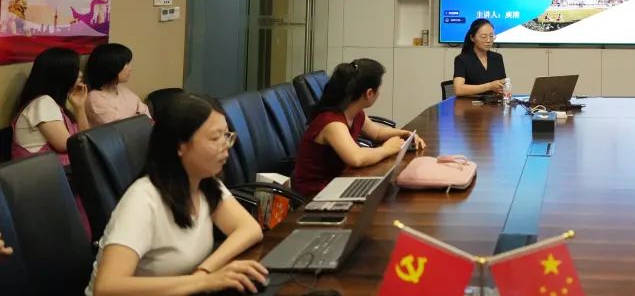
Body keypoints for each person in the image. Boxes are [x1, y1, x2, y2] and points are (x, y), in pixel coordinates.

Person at [86, 93, 267, 295]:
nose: (226, 146)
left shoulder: (204, 181)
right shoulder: (143, 200)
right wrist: (203, 282)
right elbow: (107, 287)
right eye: (215, 138)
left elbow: (249, 229)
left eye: (227, 136)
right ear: (180, 145)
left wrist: (204, 272)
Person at [291, 59, 427, 198]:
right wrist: (387, 149)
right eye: (378, 89)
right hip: (316, 195)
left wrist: (405, 134)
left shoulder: (354, 112)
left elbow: (377, 133)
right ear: (369, 93)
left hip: (339, 182)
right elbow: (356, 158)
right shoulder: (332, 122)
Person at [12, 47, 91, 165]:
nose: (81, 74)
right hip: (40, 174)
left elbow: (85, 138)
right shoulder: (43, 103)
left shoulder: (53, 103)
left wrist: (79, 107)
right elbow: (68, 145)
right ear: (61, 75)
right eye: (76, 69)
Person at [84, 43, 150, 127]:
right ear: (112, 66)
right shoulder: (94, 98)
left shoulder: (121, 89)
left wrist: (136, 118)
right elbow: (120, 128)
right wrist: (137, 116)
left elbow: (146, 115)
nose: (130, 68)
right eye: (126, 64)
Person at [452, 18, 507, 97]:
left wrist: (505, 90)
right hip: (469, 103)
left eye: (491, 36)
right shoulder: (462, 59)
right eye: (483, 36)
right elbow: (459, 90)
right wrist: (489, 86)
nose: (488, 40)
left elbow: (502, 84)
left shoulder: (497, 58)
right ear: (472, 38)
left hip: (494, 103)